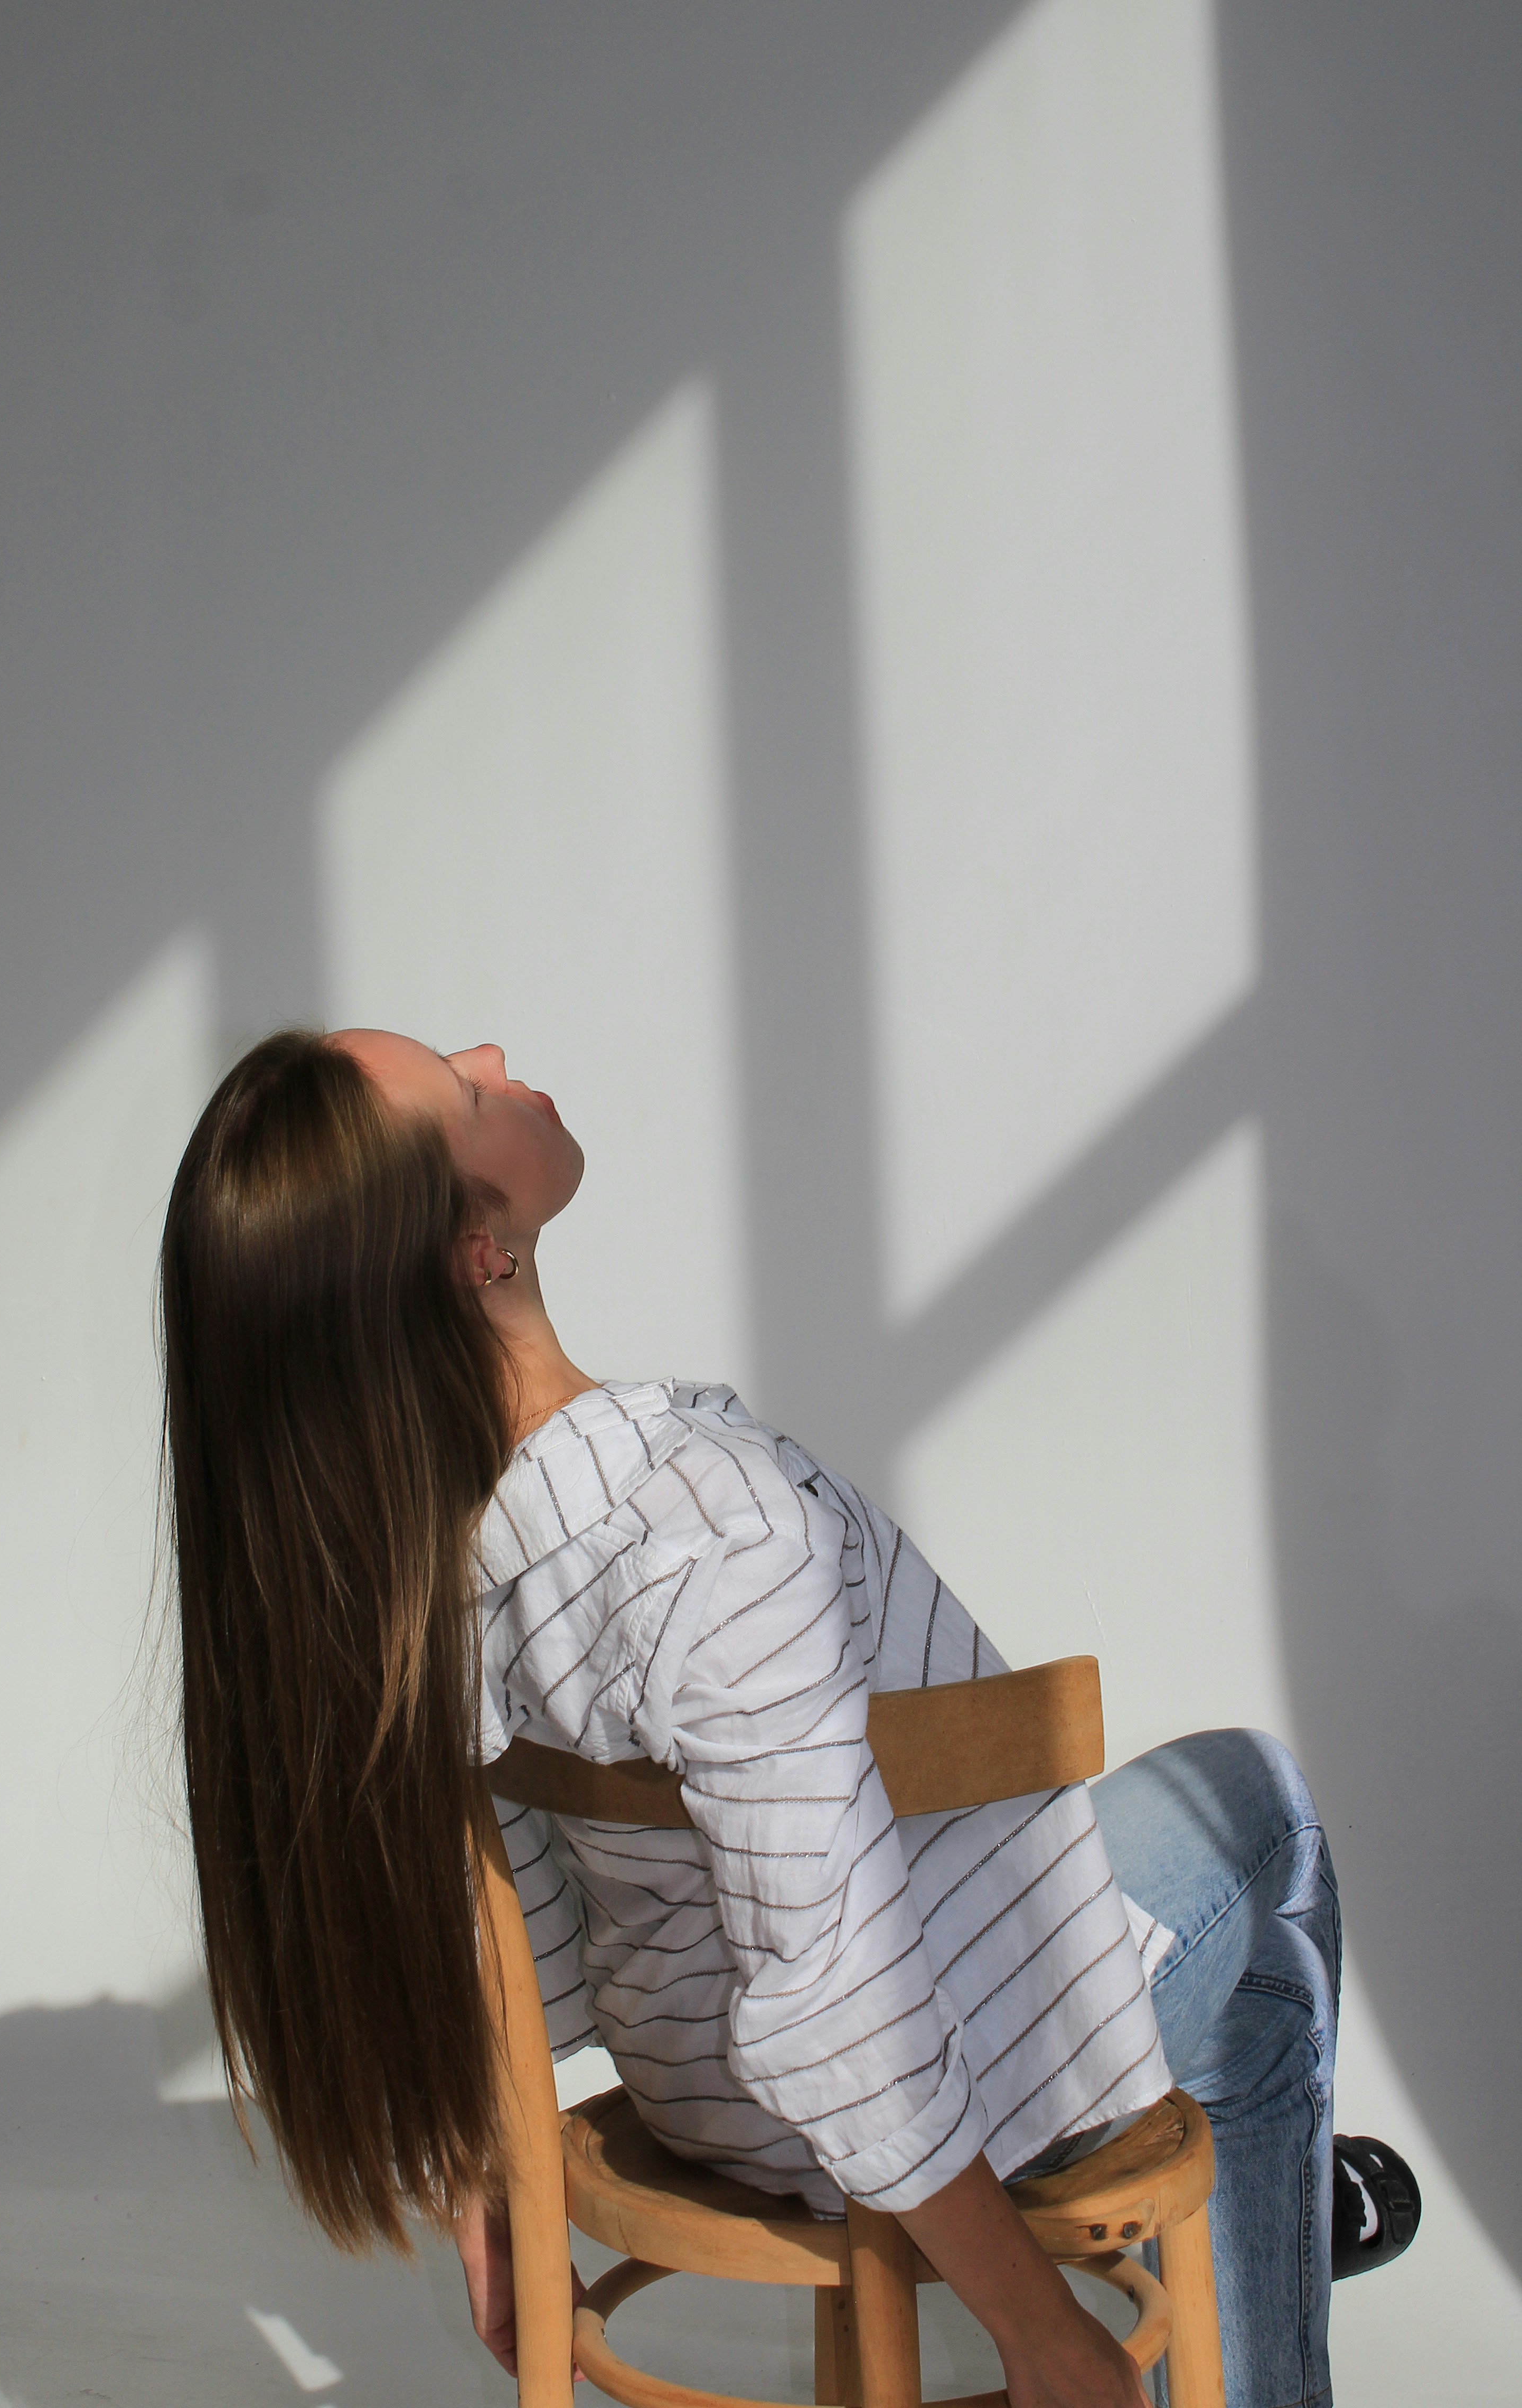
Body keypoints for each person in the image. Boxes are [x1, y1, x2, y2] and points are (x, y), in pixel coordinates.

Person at [159, 1027, 1418, 2408]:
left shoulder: (445, 1557)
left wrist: (496, 2165)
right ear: (480, 1248)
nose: (495, 1051)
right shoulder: (712, 1527)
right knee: (1262, 1809)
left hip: (693, 2093)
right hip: (900, 2105)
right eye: (466, 1093)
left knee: (1126, 1886)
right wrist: (1041, 2332)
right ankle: (1267, 2310)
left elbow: (519, 1928)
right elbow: (838, 2010)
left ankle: (1284, 2215)